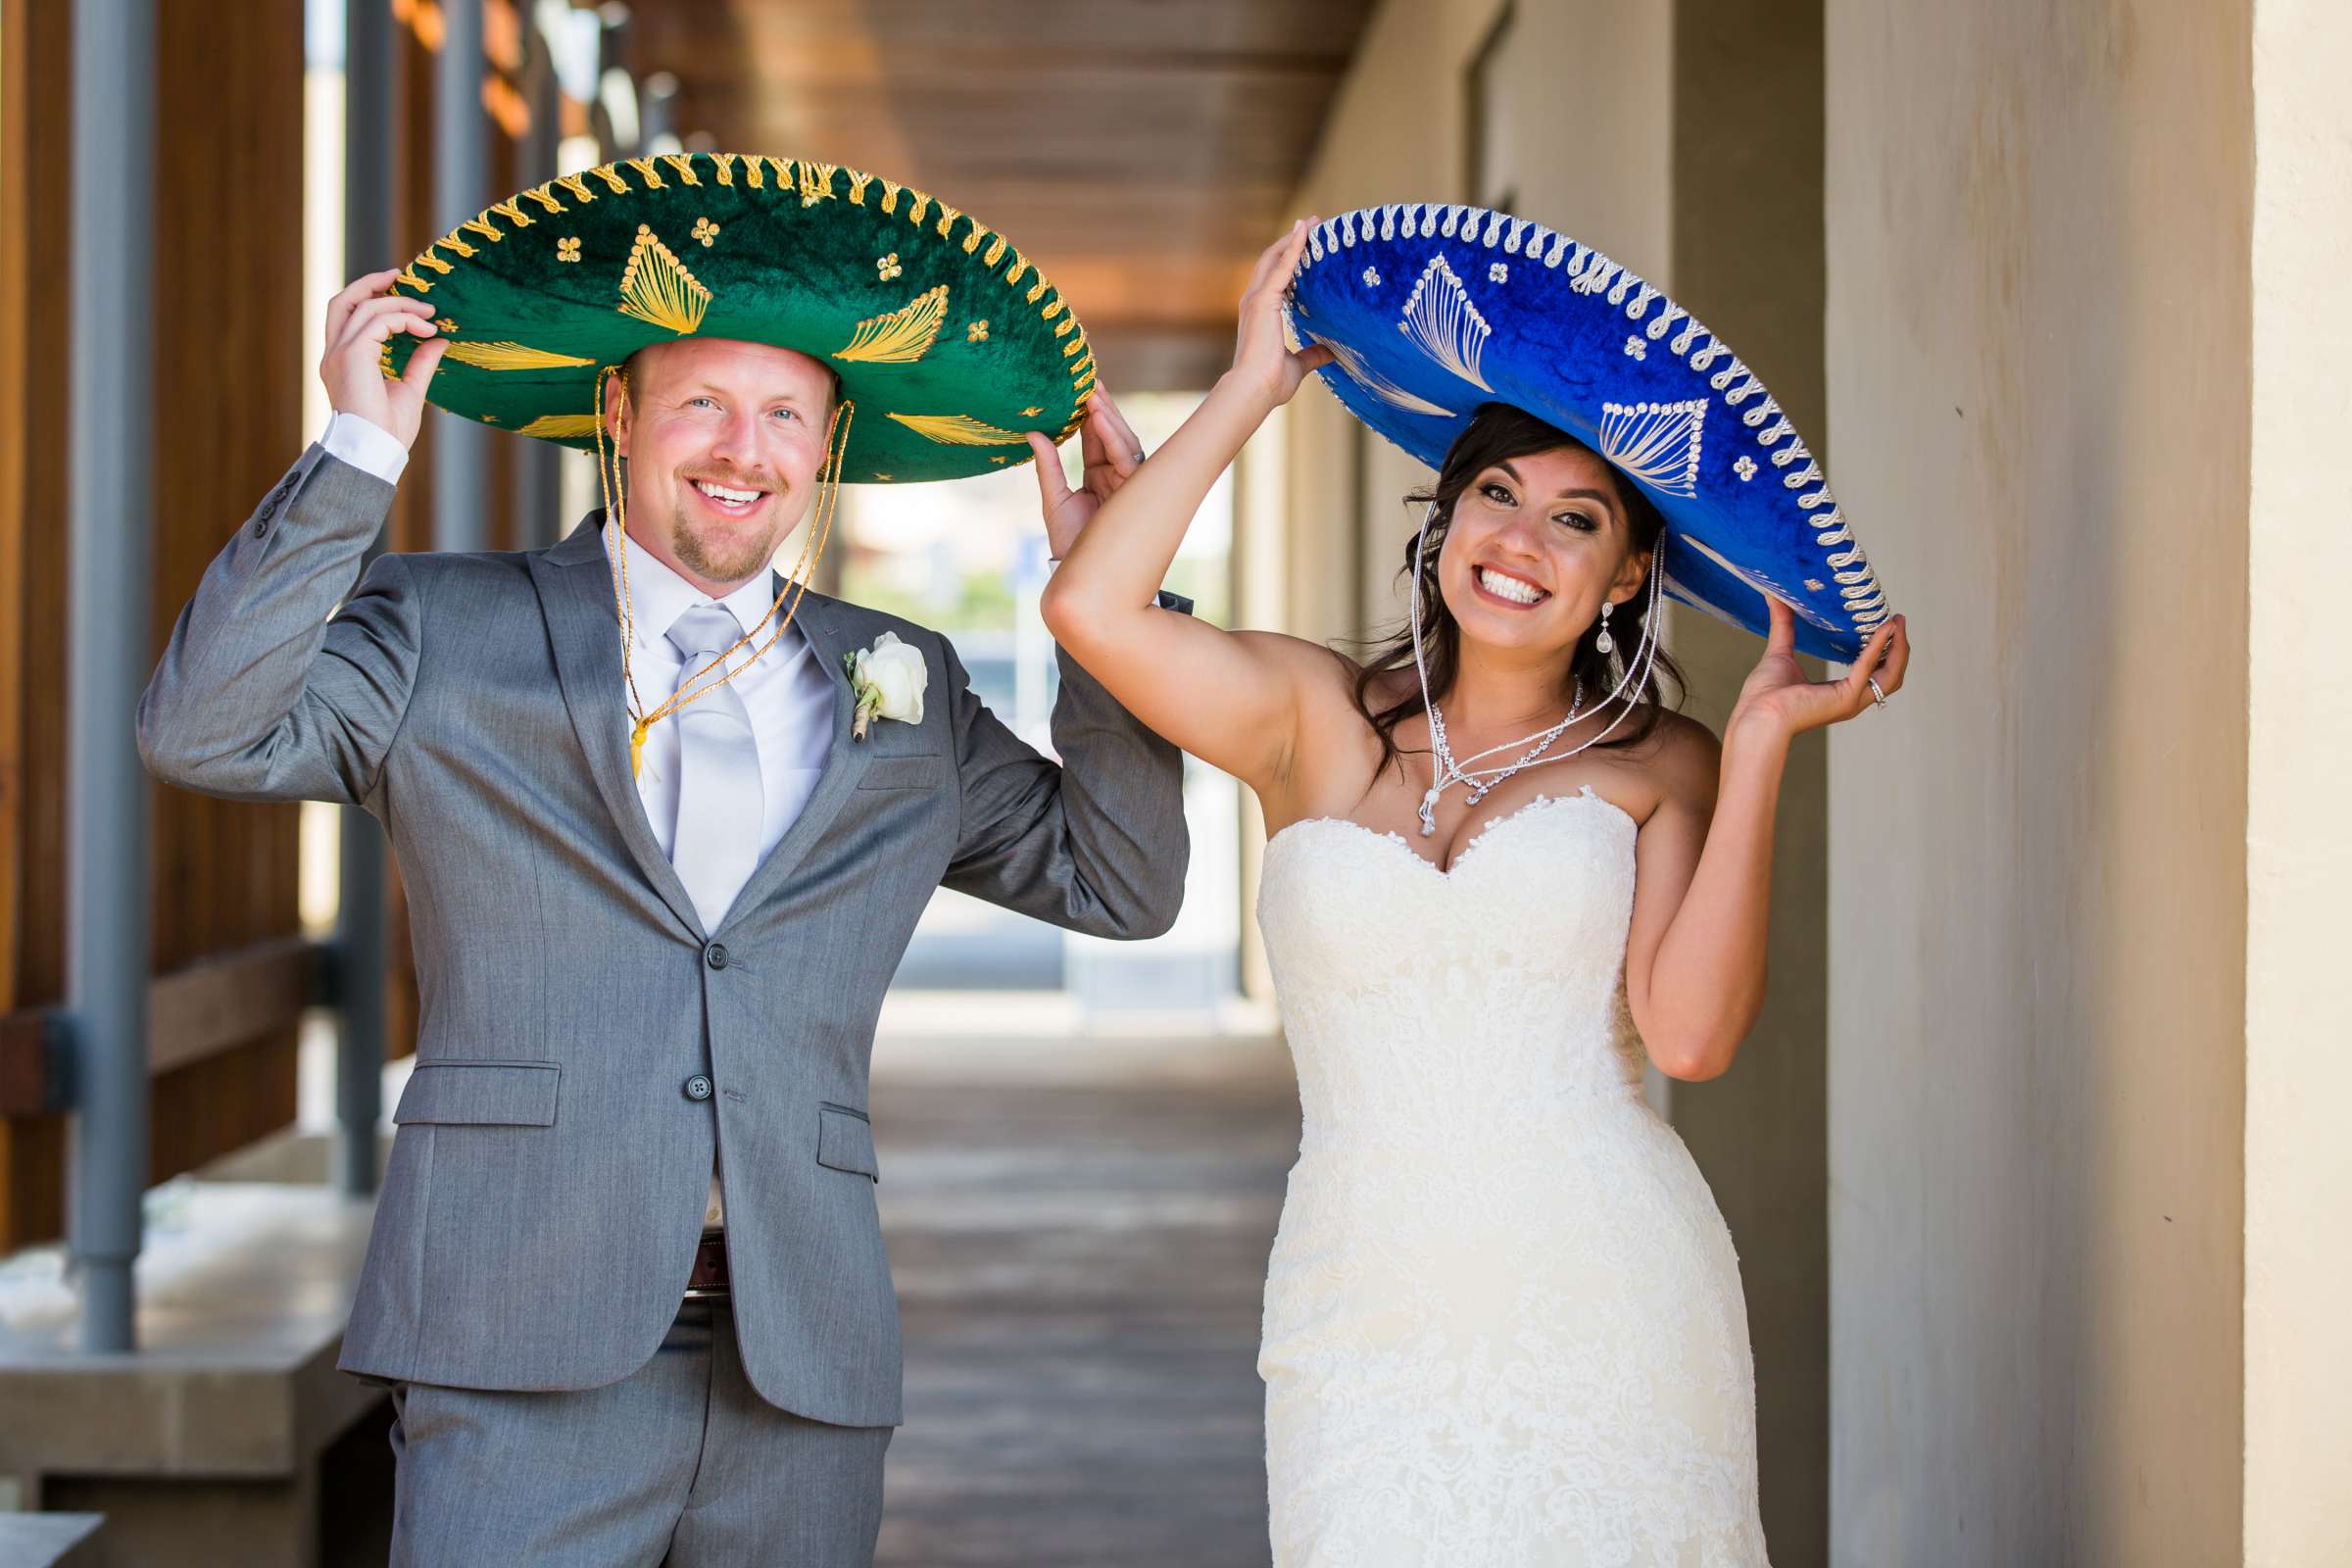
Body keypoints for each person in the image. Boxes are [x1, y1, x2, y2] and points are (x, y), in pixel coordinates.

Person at [137, 153, 1191, 1566]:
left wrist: (1109, 604)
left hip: (799, 1365)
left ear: (827, 445)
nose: (739, 450)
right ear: (618, 411)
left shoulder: (908, 683)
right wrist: (357, 454)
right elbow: (203, 730)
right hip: (514, 1339)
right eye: (700, 401)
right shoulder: (441, 630)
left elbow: (1122, 884)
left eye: (782, 415)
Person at [1039, 210, 1911, 1564]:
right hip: (1358, 1297)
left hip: (1610, 1297)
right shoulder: (1313, 715)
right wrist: (1252, 387)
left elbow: (1688, 1037)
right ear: (1444, 518)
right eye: (1497, 496)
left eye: (1578, 519)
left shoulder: (1661, 765)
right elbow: (1092, 608)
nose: (1522, 540)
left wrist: (1753, 755)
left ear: (1628, 574)